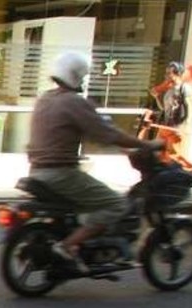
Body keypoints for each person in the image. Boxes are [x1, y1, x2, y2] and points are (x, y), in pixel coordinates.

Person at [26, 51, 160, 270]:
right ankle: (68, 245)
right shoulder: (74, 102)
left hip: (37, 171)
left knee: (89, 197)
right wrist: (147, 144)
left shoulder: (44, 99)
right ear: (77, 76)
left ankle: (81, 241)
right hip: (61, 174)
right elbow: (107, 133)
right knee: (116, 204)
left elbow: (91, 132)